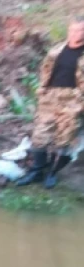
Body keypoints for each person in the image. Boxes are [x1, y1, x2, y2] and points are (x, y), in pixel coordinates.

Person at [16, 17, 84, 189]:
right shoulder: (56, 50)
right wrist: (42, 90)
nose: (75, 34)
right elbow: (45, 70)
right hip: (50, 97)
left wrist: (80, 99)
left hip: (73, 99)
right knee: (39, 136)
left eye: (80, 30)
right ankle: (36, 171)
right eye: (73, 30)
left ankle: (53, 173)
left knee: (64, 139)